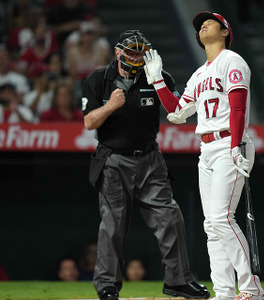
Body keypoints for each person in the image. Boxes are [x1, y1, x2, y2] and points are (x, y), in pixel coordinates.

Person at [143, 11, 264, 300]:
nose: (203, 26)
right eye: (199, 25)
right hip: (207, 149)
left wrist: (237, 146)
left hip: (228, 144)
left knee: (222, 218)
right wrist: (158, 79)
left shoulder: (232, 61)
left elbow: (237, 107)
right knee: (211, 225)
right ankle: (223, 291)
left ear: (225, 32)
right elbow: (176, 113)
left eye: (210, 22)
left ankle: (250, 288)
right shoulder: (199, 74)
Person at [81, 29, 210, 300]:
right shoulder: (98, 79)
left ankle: (178, 281)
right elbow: (89, 122)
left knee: (170, 217)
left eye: (141, 52)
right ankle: (107, 285)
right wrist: (111, 105)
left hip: (150, 158)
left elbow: (177, 112)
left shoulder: (156, 76)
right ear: (118, 52)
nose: (137, 57)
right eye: (132, 52)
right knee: (113, 224)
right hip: (113, 159)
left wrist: (159, 81)